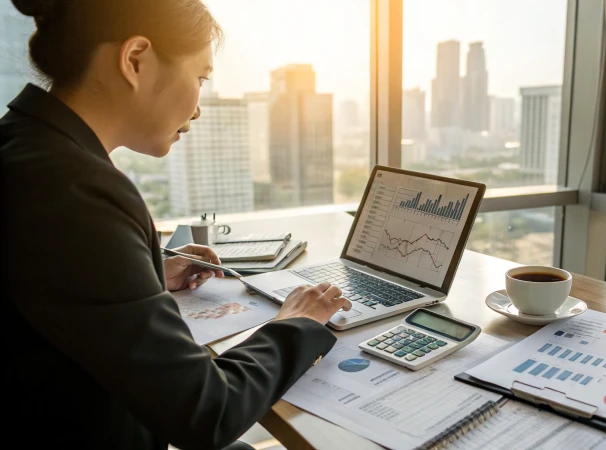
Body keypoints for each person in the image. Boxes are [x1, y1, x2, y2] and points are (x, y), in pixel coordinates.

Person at [0, 1, 352, 449]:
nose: (199, 106)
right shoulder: (74, 192)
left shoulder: (24, 148)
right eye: (200, 77)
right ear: (135, 60)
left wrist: (142, 276)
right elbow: (206, 412)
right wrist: (296, 323)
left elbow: (48, 291)